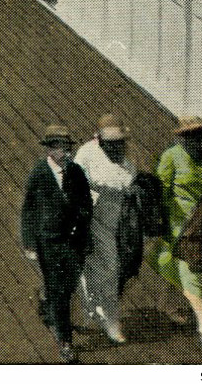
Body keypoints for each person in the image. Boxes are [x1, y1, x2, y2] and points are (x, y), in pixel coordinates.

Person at [20, 124, 93, 363]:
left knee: (69, 286)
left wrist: (81, 218)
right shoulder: (39, 174)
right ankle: (65, 341)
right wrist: (29, 243)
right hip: (48, 242)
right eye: (61, 147)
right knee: (59, 292)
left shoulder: (76, 172)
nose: (67, 152)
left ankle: (47, 302)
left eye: (68, 147)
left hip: (74, 242)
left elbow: (87, 203)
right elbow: (29, 210)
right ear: (50, 149)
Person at [151, 116, 202, 348]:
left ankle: (166, 304)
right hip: (176, 221)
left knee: (175, 262)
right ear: (181, 137)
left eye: (200, 135)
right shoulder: (171, 156)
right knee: (190, 268)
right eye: (191, 135)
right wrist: (161, 221)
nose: (197, 140)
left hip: (199, 220)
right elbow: (160, 190)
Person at [74, 114, 139, 343]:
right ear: (99, 140)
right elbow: (75, 184)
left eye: (120, 142)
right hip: (89, 219)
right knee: (99, 268)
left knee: (114, 270)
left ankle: (103, 316)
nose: (116, 146)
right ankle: (106, 319)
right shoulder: (86, 154)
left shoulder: (128, 165)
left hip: (116, 223)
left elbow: (129, 187)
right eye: (110, 142)